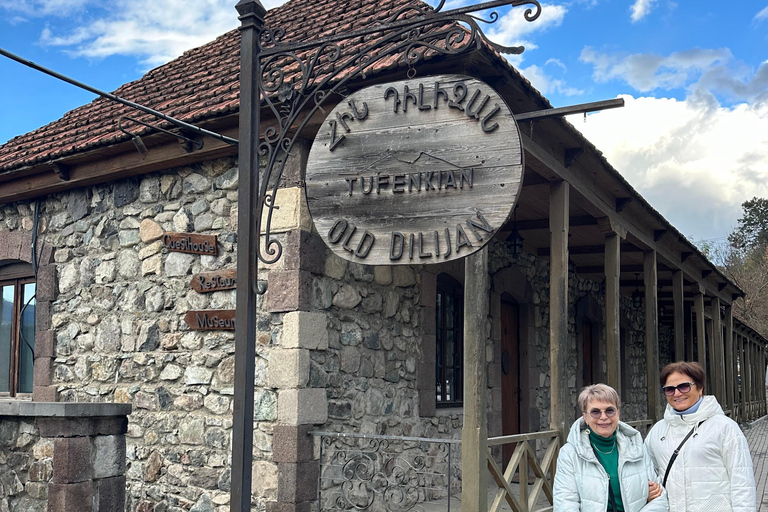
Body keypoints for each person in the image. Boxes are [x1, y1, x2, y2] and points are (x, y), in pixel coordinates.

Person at [645, 361, 756, 511]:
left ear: (700, 387)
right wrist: (650, 489)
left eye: (684, 386)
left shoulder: (725, 427)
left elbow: (742, 482)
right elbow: (646, 471)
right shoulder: (658, 431)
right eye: (670, 389)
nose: (677, 393)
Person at [554, 384, 668, 512]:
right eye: (595, 412)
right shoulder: (569, 453)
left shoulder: (636, 448)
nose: (603, 417)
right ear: (585, 417)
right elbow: (565, 503)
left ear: (618, 414)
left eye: (609, 410)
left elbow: (659, 498)